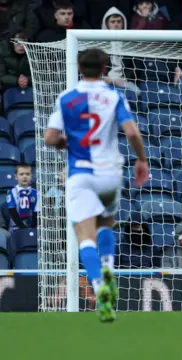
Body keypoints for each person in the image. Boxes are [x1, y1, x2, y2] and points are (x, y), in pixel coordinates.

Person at [44, 48, 149, 322]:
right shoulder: (114, 95)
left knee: (84, 237)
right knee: (105, 226)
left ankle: (100, 287)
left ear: (79, 67)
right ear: (105, 68)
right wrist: (142, 160)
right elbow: (132, 132)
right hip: (110, 173)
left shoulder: (66, 98)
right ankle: (108, 271)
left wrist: (67, 143)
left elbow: (50, 137)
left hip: (80, 172)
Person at [7, 163, 39, 233]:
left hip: (32, 227)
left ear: (31, 176)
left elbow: (36, 212)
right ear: (16, 177)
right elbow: (12, 212)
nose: (25, 177)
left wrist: (31, 228)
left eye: (27, 174)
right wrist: (22, 227)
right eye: (21, 174)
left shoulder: (36, 193)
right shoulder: (11, 192)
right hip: (16, 227)